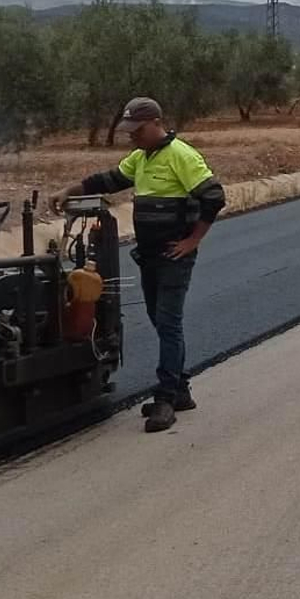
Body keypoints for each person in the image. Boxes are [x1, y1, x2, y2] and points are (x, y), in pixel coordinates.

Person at [57, 97, 225, 433]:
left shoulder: (182, 155)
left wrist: (192, 241)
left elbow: (214, 197)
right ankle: (180, 391)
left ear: (155, 123)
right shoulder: (141, 158)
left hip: (174, 256)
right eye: (129, 131)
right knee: (160, 321)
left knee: (168, 321)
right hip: (149, 255)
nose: (132, 137)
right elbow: (108, 180)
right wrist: (68, 191)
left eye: (137, 131)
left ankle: (165, 398)